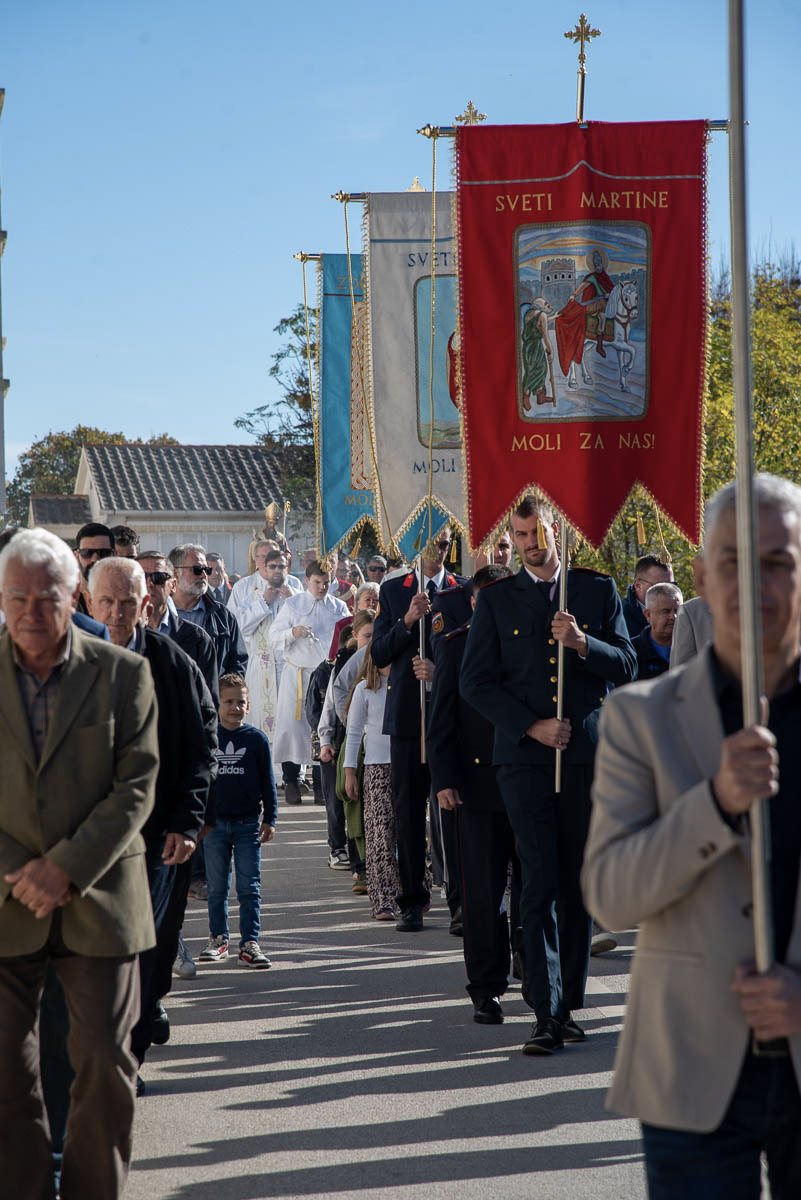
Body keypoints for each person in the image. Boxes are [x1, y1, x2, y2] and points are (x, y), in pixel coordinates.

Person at [582, 474, 801, 1198]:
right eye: (732, 561)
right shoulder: (641, 719)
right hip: (688, 1071)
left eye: (778, 562)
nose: (755, 584)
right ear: (701, 577)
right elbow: (609, 898)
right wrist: (713, 803)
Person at [0, 528, 158, 1199]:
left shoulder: (124, 674)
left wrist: (64, 867)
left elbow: (137, 783)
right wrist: (22, 869)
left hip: (102, 900)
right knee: (5, 1071)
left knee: (102, 1065)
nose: (33, 611)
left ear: (76, 598)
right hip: (7, 901)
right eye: (18, 597)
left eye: (48, 597)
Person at [460, 494, 636, 1054]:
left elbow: (627, 663)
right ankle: (543, 1008)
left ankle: (568, 1004)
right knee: (537, 878)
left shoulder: (595, 589)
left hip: (584, 757)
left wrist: (583, 642)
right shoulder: (495, 600)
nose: (531, 546)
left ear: (555, 529)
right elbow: (475, 683)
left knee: (575, 883)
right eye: (521, 537)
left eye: (538, 534)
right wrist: (531, 726)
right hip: (524, 759)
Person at [88, 557, 213, 1084]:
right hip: (85, 843)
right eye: (106, 603)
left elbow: (199, 749)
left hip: (157, 838)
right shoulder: (68, 663)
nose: (117, 614)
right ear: (88, 604)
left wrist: (187, 823)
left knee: (143, 951)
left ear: (147, 604)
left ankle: (127, 1060)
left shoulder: (171, 663)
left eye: (128, 603)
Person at [428, 564, 522, 1024]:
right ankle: (486, 988)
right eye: (480, 600)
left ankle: (533, 964)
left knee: (532, 887)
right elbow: (441, 716)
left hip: (527, 780)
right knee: (482, 894)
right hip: (476, 786)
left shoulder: (532, 640)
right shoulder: (457, 644)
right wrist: (444, 777)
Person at [371, 526, 468, 933]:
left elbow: (473, 653)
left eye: (446, 539)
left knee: (454, 813)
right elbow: (378, 654)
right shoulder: (395, 591)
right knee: (409, 813)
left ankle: (462, 902)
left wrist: (440, 673)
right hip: (409, 718)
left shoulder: (461, 591)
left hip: (450, 720)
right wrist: (408, 620)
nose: (441, 546)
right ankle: (412, 898)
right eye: (434, 538)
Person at [199, 674, 277, 967]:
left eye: (240, 702)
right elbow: (201, 781)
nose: (234, 707)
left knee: (249, 887)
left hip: (247, 826)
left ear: (249, 705)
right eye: (228, 701)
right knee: (217, 888)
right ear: (217, 704)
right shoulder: (209, 737)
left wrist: (270, 818)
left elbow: (268, 784)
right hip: (214, 826)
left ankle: (250, 943)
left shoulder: (257, 740)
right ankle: (218, 938)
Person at [268, 560, 349, 803]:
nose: (322, 587)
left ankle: (319, 784)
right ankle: (292, 780)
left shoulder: (339, 607)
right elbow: (273, 637)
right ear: (306, 581)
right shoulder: (293, 605)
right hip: (298, 675)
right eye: (317, 582)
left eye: (326, 583)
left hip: (325, 676)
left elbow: (347, 638)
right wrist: (293, 633)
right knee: (293, 729)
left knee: (322, 727)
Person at [344, 648, 398, 919]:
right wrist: (350, 772)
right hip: (376, 768)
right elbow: (353, 733)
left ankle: (411, 891)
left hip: (405, 765)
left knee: (408, 833)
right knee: (379, 836)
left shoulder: (405, 685)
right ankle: (382, 898)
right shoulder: (365, 689)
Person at [168, 542, 247, 678]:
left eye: (207, 570)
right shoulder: (157, 613)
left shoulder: (223, 617)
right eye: (198, 569)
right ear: (175, 573)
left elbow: (238, 661)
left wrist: (226, 690)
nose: (204, 575)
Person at [631, 581, 683, 679]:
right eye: (666, 611)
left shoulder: (694, 648)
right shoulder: (632, 653)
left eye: (677, 610)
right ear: (648, 615)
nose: (673, 616)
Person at [621, 553, 674, 639]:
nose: (666, 591)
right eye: (659, 586)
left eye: (671, 585)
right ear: (638, 586)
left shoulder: (680, 614)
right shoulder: (620, 617)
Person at [72, 520, 114, 614]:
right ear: (76, 555)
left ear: (114, 555)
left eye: (103, 553)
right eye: (87, 553)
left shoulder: (124, 599)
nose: (95, 559)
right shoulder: (64, 600)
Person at [521, 297, 555, 410]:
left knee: (531, 370)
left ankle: (540, 396)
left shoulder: (528, 313)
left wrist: (554, 318)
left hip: (527, 347)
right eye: (545, 304)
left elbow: (538, 323)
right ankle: (526, 395)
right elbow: (545, 335)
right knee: (539, 370)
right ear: (540, 307)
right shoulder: (542, 315)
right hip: (536, 347)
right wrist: (551, 351)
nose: (547, 305)